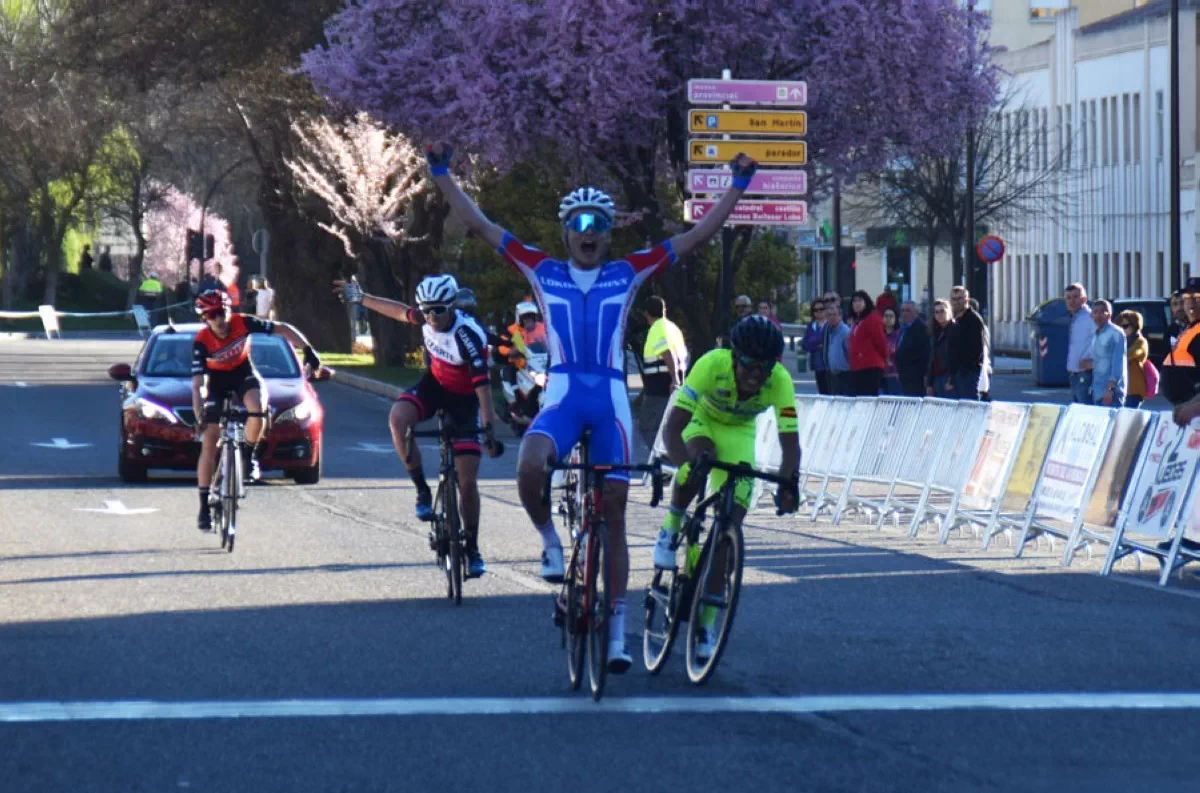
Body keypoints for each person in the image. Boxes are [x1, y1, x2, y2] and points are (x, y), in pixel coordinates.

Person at [424, 141, 756, 673]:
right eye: (578, 223)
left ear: (607, 232)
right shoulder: (541, 269)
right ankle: (551, 543)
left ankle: (620, 634)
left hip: (609, 403)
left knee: (616, 515)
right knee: (530, 465)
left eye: (597, 222)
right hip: (560, 396)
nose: (588, 231)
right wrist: (441, 173)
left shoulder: (628, 272)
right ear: (566, 233)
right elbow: (482, 225)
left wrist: (737, 186)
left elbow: (696, 236)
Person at [334, 274, 502, 578]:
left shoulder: (468, 336)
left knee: (466, 481)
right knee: (398, 419)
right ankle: (423, 491)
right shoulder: (426, 318)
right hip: (435, 385)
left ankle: (473, 548)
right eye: (425, 311)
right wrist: (363, 298)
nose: (431, 317)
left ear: (451, 306)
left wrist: (489, 428)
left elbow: (483, 386)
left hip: (465, 399)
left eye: (437, 310)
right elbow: (399, 311)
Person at [653, 316, 799, 659]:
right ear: (734, 355)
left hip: (740, 433)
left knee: (729, 534)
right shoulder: (711, 364)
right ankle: (672, 525)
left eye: (763, 366)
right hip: (701, 422)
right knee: (701, 462)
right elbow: (673, 429)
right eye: (747, 362)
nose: (754, 373)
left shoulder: (780, 381)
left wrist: (789, 483)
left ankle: (706, 625)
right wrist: (685, 467)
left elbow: (790, 442)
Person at [191, 290, 321, 530]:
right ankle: (202, 506)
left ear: (230, 311)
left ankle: (249, 456)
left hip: (243, 374)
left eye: (222, 312)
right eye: (212, 315)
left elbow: (281, 328)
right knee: (209, 439)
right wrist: (199, 412)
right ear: (204, 320)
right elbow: (199, 383)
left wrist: (308, 349)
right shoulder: (201, 341)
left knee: (258, 407)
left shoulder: (244, 322)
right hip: (216, 382)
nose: (219, 319)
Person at [638, 296, 688, 452]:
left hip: (659, 387)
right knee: (667, 425)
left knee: (648, 425)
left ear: (646, 314)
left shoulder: (658, 328)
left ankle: (661, 457)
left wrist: (675, 379)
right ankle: (667, 455)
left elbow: (667, 352)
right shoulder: (673, 327)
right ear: (664, 310)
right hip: (668, 384)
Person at [1164, 279, 1200, 407]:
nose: (1191, 303)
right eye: (1187, 298)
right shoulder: (1186, 330)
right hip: (1182, 402)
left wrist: (1193, 405)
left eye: (1197, 298)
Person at [947, 286, 986, 400]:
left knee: (969, 407)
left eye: (960, 298)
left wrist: (965, 368)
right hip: (956, 372)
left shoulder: (974, 319)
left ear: (967, 300)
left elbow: (976, 349)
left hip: (968, 372)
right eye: (954, 299)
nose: (957, 302)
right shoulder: (955, 319)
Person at [1086, 299, 1126, 406]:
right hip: (1097, 392)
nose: (1098, 315)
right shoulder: (1096, 334)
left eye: (1102, 312)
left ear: (1109, 315)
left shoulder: (1115, 333)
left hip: (1111, 394)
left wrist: (1110, 390)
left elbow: (1118, 364)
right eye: (1095, 312)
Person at [848, 290, 887, 396]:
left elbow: (880, 341)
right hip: (858, 367)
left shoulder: (872, 318)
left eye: (860, 300)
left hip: (870, 367)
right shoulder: (856, 321)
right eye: (854, 301)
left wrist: (885, 358)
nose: (857, 303)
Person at [1064, 283, 1095, 404]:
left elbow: (1103, 342)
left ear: (1084, 299)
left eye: (1075, 297)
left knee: (1086, 412)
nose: (1071, 301)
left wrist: (1093, 361)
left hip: (1086, 374)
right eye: (1068, 298)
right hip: (1074, 374)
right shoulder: (1074, 318)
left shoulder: (1090, 317)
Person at [894, 301, 930, 397]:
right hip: (903, 376)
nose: (904, 313)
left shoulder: (921, 328)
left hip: (915, 377)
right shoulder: (903, 328)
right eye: (902, 310)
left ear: (916, 312)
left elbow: (925, 353)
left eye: (908, 310)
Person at [1118, 310, 1149, 409]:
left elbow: (1132, 354)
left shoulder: (1140, 341)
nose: (1122, 329)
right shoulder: (1121, 341)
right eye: (1120, 326)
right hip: (1121, 388)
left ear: (1135, 325)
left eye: (1125, 326)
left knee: (1129, 418)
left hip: (1134, 390)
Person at [927, 300, 955, 397]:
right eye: (936, 312)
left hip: (949, 378)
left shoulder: (955, 330)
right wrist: (929, 383)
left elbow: (956, 357)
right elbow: (932, 359)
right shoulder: (935, 332)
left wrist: (952, 379)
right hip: (936, 378)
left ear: (949, 311)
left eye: (942, 311)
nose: (939, 314)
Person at [824, 302, 851, 396]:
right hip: (833, 376)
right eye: (829, 315)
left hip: (845, 376)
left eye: (835, 315)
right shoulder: (829, 331)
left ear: (840, 316)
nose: (832, 317)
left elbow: (850, 353)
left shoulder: (845, 332)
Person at [802, 299, 829, 394]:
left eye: (821, 309)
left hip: (829, 366)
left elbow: (827, 344)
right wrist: (818, 344)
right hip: (817, 365)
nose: (818, 312)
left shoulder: (829, 325)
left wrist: (814, 341)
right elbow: (805, 344)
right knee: (822, 392)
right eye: (815, 310)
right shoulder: (811, 326)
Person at [881, 306, 901, 395]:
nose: (888, 319)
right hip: (881, 376)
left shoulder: (899, 335)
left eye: (891, 316)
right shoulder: (879, 335)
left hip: (895, 376)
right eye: (886, 316)